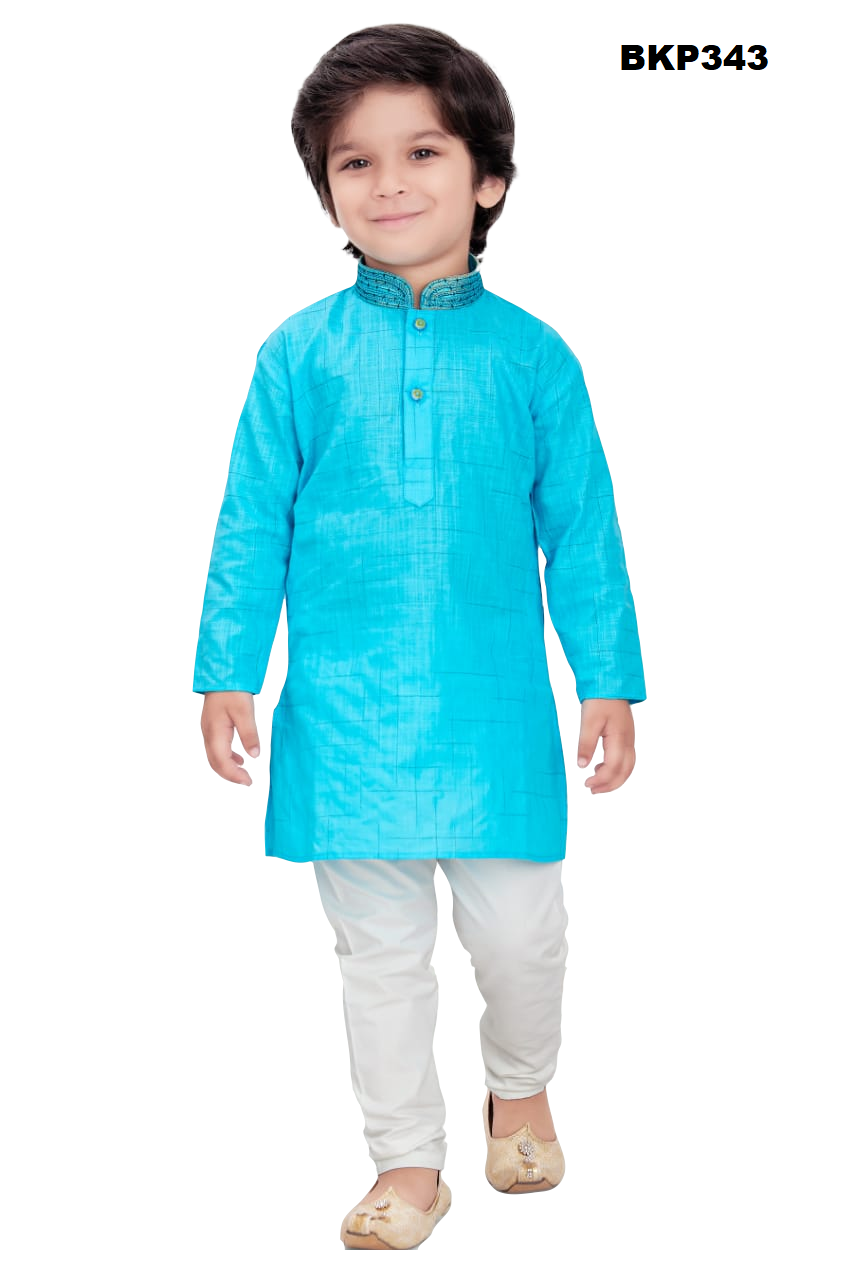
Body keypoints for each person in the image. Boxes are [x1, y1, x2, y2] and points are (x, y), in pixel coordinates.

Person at [192, 23, 647, 1250]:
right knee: (378, 958)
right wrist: (226, 668)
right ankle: (406, 1162)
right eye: (355, 161)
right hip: (344, 716)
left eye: (423, 152)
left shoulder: (534, 357)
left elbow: (582, 528)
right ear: (326, 188)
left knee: (522, 935)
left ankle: (522, 1088)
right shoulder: (298, 355)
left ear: (487, 177)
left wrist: (606, 678)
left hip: (493, 711)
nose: (388, 182)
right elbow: (251, 522)